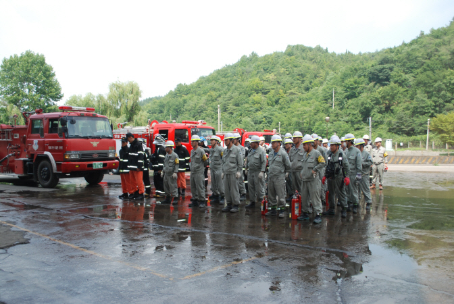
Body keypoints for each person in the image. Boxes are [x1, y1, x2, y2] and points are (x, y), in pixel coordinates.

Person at [297, 135, 325, 224]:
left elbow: (323, 162)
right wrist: (302, 172)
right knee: (304, 197)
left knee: (315, 197)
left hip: (313, 180)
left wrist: (315, 169)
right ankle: (305, 213)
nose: (303, 147)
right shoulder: (305, 154)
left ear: (309, 144)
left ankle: (318, 214)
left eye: (304, 145)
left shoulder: (316, 153)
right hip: (305, 179)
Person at [322, 135, 350, 218]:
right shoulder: (329, 154)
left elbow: (346, 166)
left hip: (339, 177)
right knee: (331, 193)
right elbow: (326, 165)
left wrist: (347, 177)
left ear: (337, 146)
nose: (331, 147)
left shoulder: (341, 155)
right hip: (331, 177)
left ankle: (344, 208)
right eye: (330, 145)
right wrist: (325, 176)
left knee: (341, 193)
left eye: (333, 145)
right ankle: (331, 209)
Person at [266, 135, 291, 218]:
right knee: (271, 194)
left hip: (279, 177)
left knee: (281, 195)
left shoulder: (283, 153)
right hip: (271, 176)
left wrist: (286, 173)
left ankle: (282, 210)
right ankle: (273, 209)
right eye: (272, 143)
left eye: (274, 143)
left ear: (279, 143)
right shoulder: (271, 153)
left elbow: (288, 165)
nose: (272, 144)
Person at [221, 133, 243, 213]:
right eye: (225, 140)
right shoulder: (225, 150)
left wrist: (239, 172)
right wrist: (223, 172)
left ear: (231, 141)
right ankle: (229, 204)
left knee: (234, 190)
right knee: (226, 190)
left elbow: (240, 162)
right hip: (226, 173)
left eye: (226, 140)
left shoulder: (237, 150)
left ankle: (236, 205)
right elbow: (223, 162)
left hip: (234, 173)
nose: (225, 142)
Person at [245, 135, 267, 209]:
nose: (250, 144)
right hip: (251, 171)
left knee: (259, 188)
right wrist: (246, 168)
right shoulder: (250, 151)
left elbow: (264, 162)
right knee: (251, 187)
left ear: (256, 143)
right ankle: (252, 202)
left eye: (252, 143)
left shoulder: (261, 151)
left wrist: (262, 171)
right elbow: (248, 160)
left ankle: (262, 202)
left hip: (258, 172)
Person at [344, 133, 362, 213]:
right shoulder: (346, 151)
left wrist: (358, 174)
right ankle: (348, 203)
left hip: (353, 174)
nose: (345, 143)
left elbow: (359, 163)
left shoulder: (356, 151)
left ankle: (355, 204)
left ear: (349, 141)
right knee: (347, 190)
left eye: (346, 141)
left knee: (353, 190)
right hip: (347, 174)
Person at [189, 135, 208, 208]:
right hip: (193, 172)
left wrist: (201, 168)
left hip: (199, 172)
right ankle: (195, 200)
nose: (192, 143)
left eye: (193, 141)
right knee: (193, 187)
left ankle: (202, 200)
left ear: (197, 142)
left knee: (200, 187)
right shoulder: (192, 151)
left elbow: (205, 161)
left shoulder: (201, 151)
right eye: (191, 141)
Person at [355, 138, 373, 210]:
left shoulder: (366, 154)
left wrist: (362, 164)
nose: (356, 147)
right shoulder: (356, 153)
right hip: (357, 174)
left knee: (365, 189)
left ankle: (368, 202)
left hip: (364, 174)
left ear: (361, 146)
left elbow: (370, 162)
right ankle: (357, 202)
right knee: (357, 189)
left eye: (357, 146)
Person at [126, 133, 145, 200]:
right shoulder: (132, 145)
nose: (128, 141)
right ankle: (135, 192)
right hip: (132, 167)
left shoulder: (138, 145)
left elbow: (141, 155)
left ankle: (141, 193)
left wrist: (139, 166)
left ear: (131, 137)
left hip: (137, 167)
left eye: (128, 139)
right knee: (132, 181)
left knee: (139, 181)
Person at [207, 136, 225, 204]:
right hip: (213, 169)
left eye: (212, 140)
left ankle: (222, 196)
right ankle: (216, 197)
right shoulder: (211, 150)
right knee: (214, 184)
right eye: (210, 140)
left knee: (220, 184)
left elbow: (224, 160)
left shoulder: (221, 149)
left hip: (219, 168)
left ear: (216, 141)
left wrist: (223, 170)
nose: (211, 141)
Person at [312, 133, 327, 207]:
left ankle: (322, 199)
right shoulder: (310, 149)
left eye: (314, 140)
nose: (313, 142)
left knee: (321, 185)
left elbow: (325, 160)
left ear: (317, 141)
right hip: (313, 170)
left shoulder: (321, 149)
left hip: (320, 169)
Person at [289, 131, 304, 196]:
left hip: (300, 172)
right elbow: (289, 160)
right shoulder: (292, 150)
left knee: (302, 189)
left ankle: (303, 203)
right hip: (293, 172)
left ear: (300, 138)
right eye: (293, 138)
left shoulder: (303, 148)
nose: (293, 139)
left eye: (295, 138)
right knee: (294, 189)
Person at [233, 133, 247, 201]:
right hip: (234, 167)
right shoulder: (233, 148)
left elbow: (242, 157)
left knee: (240, 180)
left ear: (238, 140)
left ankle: (243, 193)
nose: (233, 141)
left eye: (234, 139)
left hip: (239, 167)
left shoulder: (241, 148)